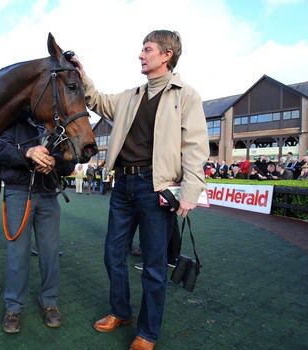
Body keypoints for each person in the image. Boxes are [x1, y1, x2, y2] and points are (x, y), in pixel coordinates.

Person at [71, 30, 209, 350]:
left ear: (166, 55)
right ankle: (120, 312)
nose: (141, 55)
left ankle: (147, 332)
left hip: (155, 187)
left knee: (154, 266)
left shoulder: (185, 95)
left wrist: (191, 190)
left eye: (147, 49)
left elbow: (196, 146)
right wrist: (82, 75)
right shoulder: (130, 96)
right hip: (123, 186)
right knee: (112, 255)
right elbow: (97, 100)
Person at [0, 112, 75, 334]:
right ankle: (13, 307)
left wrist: (54, 163)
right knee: (17, 253)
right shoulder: (12, 122)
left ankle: (49, 302)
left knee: (50, 252)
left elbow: (70, 162)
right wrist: (28, 152)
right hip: (19, 193)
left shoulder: (57, 127)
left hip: (49, 194)